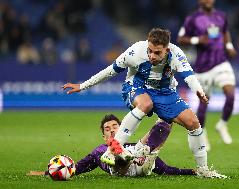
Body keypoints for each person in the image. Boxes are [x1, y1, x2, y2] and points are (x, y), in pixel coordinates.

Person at [63, 28, 226, 178]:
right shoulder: (135, 52)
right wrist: (83, 86)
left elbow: (189, 76)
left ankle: (203, 169)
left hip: (165, 92)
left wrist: (198, 90)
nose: (152, 56)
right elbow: (110, 71)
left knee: (193, 123)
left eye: (157, 52)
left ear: (166, 50)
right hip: (137, 86)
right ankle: (112, 150)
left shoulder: (176, 54)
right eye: (150, 51)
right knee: (145, 104)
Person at [28, 114, 197, 177]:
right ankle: (122, 156)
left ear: (122, 129)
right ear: (104, 135)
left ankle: (166, 119)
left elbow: (165, 169)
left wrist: (190, 172)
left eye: (115, 127)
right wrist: (47, 172)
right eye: (107, 129)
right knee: (105, 152)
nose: (111, 130)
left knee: (161, 127)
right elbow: (76, 168)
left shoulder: (131, 145)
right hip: (119, 168)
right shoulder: (99, 151)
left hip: (139, 162)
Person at [177, 0, 237, 151]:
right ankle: (202, 134)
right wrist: (197, 39)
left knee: (230, 94)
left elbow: (224, 32)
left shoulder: (221, 16)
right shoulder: (192, 19)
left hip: (221, 62)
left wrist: (229, 46)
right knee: (204, 103)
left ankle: (222, 124)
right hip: (203, 67)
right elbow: (181, 39)